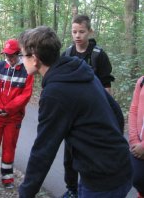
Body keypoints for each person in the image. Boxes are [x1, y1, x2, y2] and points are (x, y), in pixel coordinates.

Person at [18, 26, 132, 198]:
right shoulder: (79, 69)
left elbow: (44, 150)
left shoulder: (55, 93)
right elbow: (115, 111)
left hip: (102, 180)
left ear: (34, 59)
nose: (20, 61)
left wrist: (25, 193)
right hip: (120, 164)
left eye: (22, 55)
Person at [60, 14, 115, 198]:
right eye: (74, 32)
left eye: (82, 32)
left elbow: (106, 86)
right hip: (71, 116)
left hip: (92, 116)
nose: (77, 35)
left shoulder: (99, 55)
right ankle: (72, 189)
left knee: (89, 156)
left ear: (90, 32)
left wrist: (108, 114)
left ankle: (87, 190)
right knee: (69, 156)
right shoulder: (67, 54)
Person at [0, 39, 34, 189]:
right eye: (6, 55)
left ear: (18, 54)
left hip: (13, 117)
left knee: (9, 146)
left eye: (11, 55)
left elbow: (25, 95)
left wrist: (8, 108)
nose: (9, 58)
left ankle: (7, 177)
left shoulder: (26, 71)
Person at [128, 76, 144, 198]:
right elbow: (134, 110)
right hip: (137, 144)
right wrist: (134, 140)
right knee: (137, 178)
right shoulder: (141, 81)